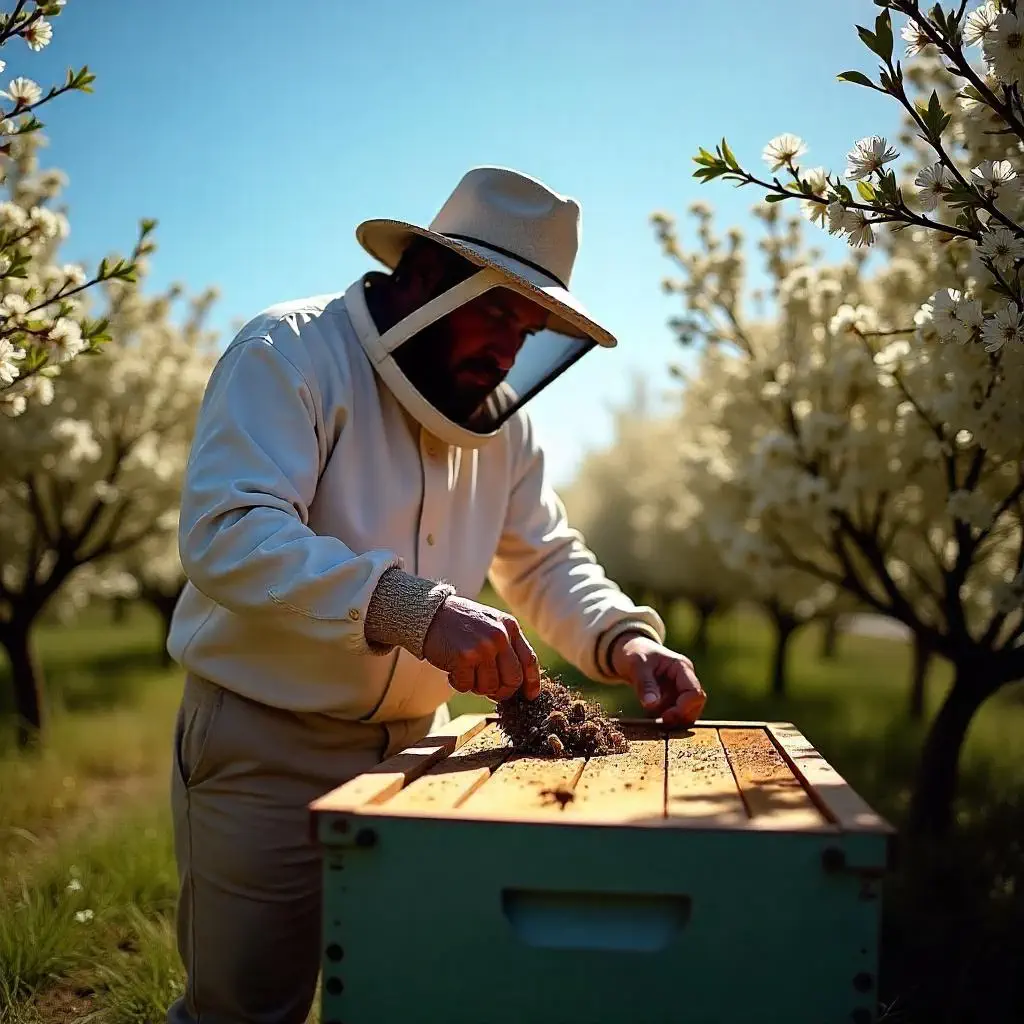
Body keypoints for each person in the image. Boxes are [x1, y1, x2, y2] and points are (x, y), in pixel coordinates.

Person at [165, 165, 707, 1024]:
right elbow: (229, 530)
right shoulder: (288, 351)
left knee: (407, 993)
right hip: (265, 745)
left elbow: (542, 558)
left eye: (527, 328)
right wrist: (408, 607)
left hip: (418, 753)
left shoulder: (503, 421)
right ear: (421, 276)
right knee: (245, 1008)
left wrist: (626, 640)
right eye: (496, 311)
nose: (507, 348)